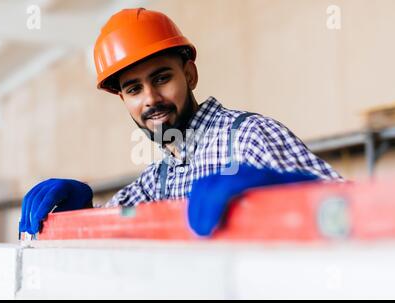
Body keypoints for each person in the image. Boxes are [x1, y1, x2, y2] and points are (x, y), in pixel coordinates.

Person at [19, 8, 342, 238]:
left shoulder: (249, 136)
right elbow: (109, 231)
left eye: (162, 78)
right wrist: (77, 212)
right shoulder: (157, 178)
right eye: (134, 89)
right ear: (124, 100)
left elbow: (350, 209)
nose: (150, 98)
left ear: (189, 75)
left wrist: (295, 196)